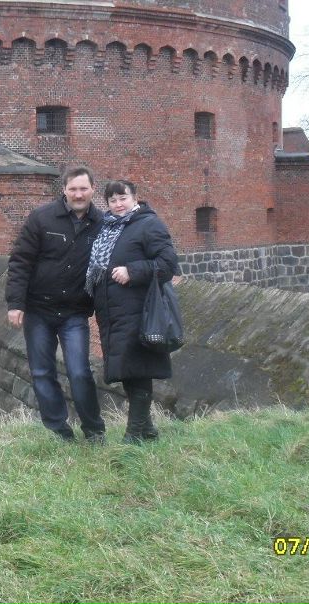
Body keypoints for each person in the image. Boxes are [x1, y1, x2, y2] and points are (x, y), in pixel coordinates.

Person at [5, 166, 106, 442]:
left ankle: (94, 430)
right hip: (39, 310)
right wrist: (15, 303)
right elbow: (20, 261)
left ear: (93, 189)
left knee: (79, 372)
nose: (78, 194)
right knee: (41, 371)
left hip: (74, 311)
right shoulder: (42, 218)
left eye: (83, 188)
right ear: (64, 190)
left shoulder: (102, 224)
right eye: (73, 189)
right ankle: (59, 430)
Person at [85, 180, 179, 443]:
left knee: (139, 371)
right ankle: (147, 429)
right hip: (112, 314)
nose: (118, 204)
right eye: (112, 200)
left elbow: (168, 264)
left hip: (139, 312)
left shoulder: (149, 224)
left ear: (135, 198)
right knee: (127, 372)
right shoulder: (107, 228)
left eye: (122, 198)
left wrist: (133, 271)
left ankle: (133, 435)